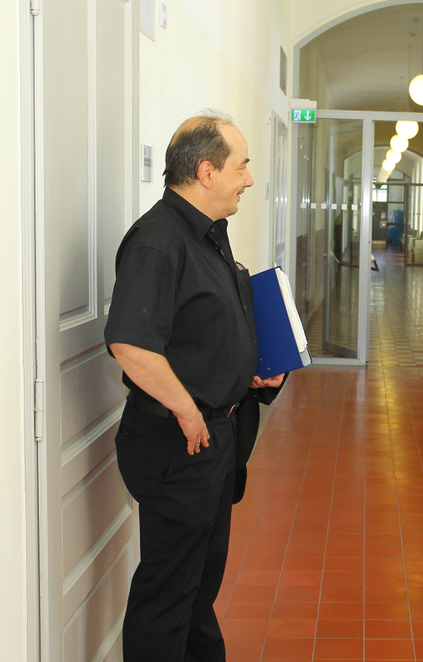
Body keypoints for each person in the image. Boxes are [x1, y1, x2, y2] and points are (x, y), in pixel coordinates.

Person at [105, 112, 284, 662]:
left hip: (215, 441)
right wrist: (187, 409)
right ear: (207, 172)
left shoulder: (209, 236)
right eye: (241, 166)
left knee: (198, 585)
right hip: (179, 444)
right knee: (168, 594)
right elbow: (131, 344)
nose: (248, 179)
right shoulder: (158, 241)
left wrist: (247, 370)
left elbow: (196, 333)